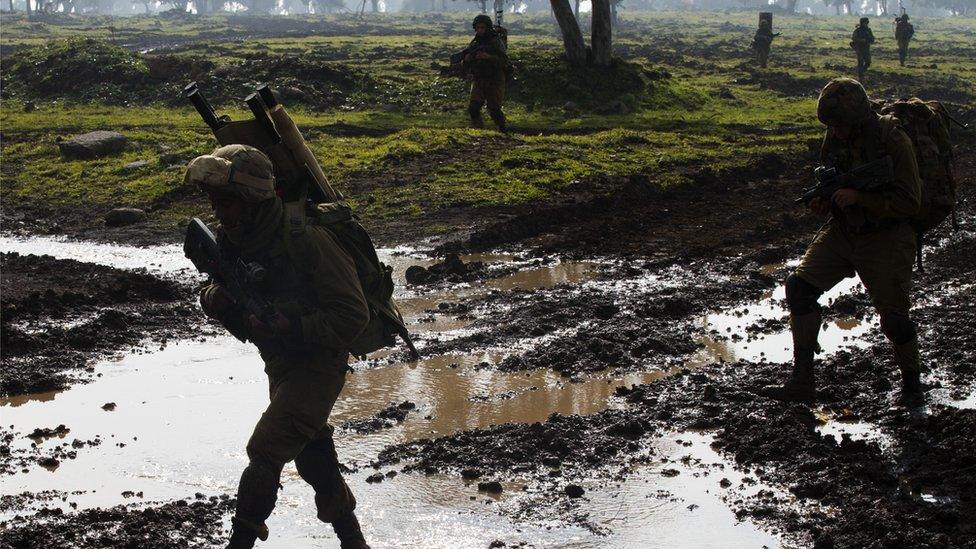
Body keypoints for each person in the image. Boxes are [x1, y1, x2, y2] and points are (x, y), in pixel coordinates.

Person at [185, 144, 371, 549]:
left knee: (266, 448)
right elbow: (216, 284)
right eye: (215, 201)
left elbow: (354, 316)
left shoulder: (307, 240)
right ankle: (353, 541)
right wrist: (214, 298)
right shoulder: (235, 238)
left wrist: (295, 324)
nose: (219, 211)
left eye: (227, 202)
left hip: (319, 363)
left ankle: (241, 543)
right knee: (311, 453)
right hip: (280, 361)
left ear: (252, 199)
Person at [762, 78, 923, 404]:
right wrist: (825, 203)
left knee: (895, 320)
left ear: (858, 118)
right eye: (831, 126)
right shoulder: (835, 138)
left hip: (887, 236)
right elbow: (833, 183)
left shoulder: (893, 140)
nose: (834, 132)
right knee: (799, 288)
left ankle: (913, 387)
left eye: (840, 125)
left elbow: (910, 202)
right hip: (845, 230)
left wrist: (861, 198)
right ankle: (802, 381)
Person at [463, 14, 508, 132]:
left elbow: (504, 60)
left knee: (494, 110)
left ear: (487, 28)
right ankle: (479, 131)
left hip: (495, 79)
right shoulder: (474, 43)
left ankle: (503, 131)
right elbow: (468, 63)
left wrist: (488, 57)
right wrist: (467, 60)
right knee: (473, 108)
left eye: (482, 28)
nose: (480, 30)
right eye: (477, 28)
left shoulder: (496, 42)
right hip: (479, 78)